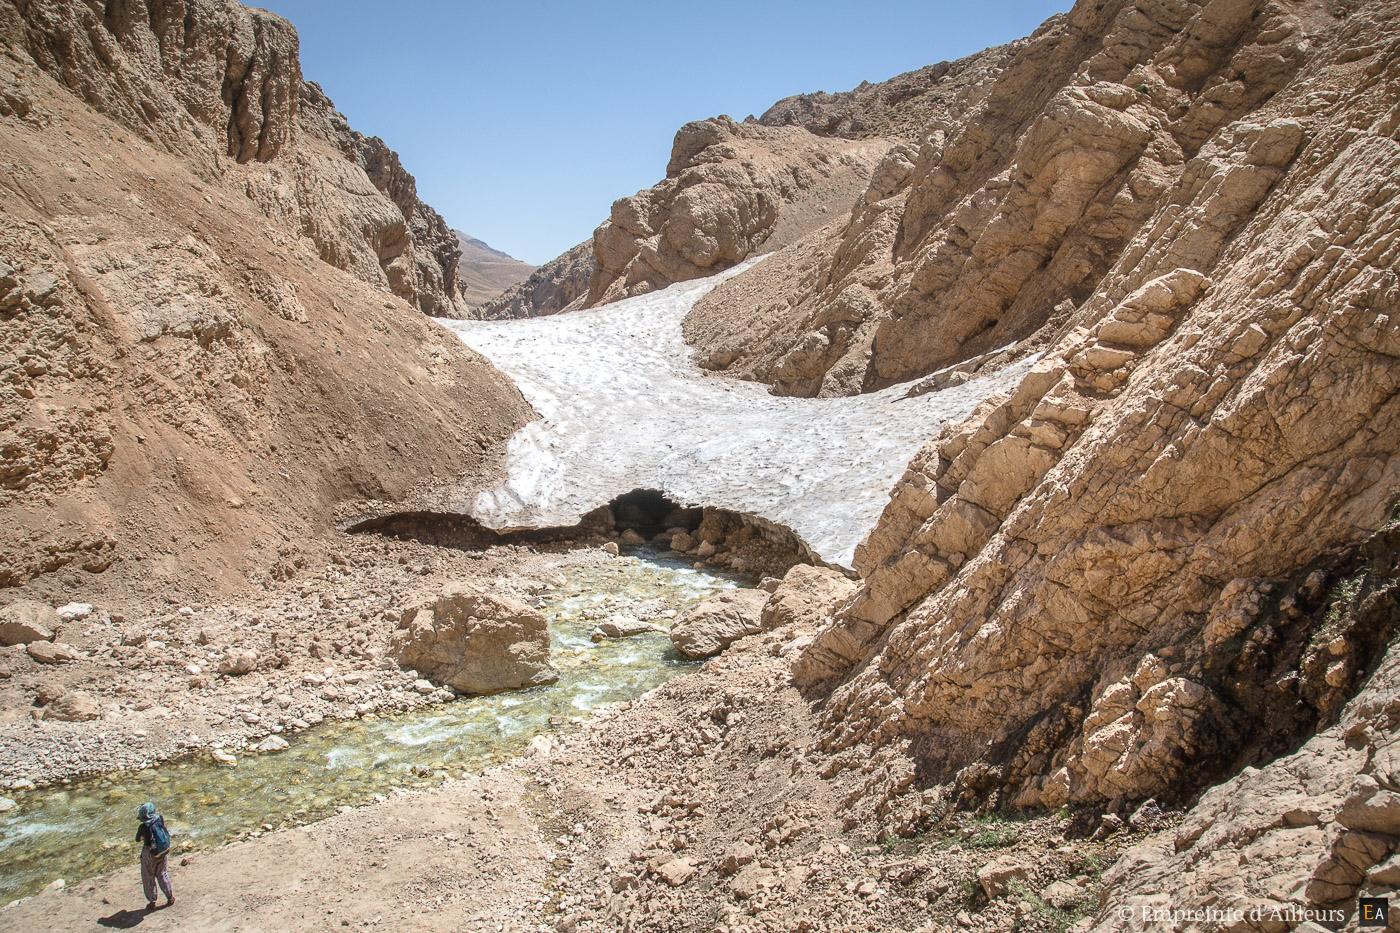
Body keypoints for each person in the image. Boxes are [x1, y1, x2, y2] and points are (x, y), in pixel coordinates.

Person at [135, 801, 175, 910]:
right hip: (162, 852)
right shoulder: (160, 819)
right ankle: (170, 897)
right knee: (162, 873)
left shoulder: (143, 827)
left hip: (149, 854)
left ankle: (152, 902)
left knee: (149, 877)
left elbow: (138, 839)